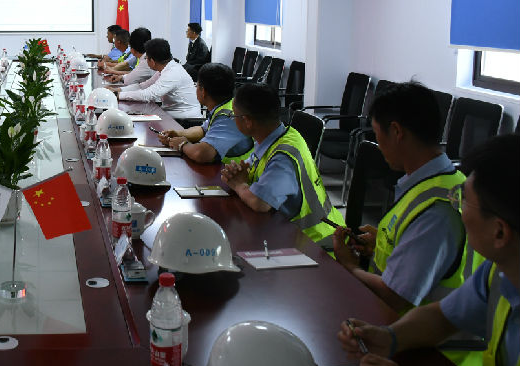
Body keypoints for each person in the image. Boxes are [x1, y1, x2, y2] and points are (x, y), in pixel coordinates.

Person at [337, 134, 519, 366]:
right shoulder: (498, 272)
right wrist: (390, 337)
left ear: (499, 233)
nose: (458, 209)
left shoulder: (439, 212)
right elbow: (443, 316)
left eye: (463, 199)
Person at [331, 82, 473, 314]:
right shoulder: (440, 181)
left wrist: (349, 266)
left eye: (377, 135)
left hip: (420, 334)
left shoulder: (437, 210)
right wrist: (383, 247)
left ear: (396, 132)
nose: (378, 145)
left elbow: (396, 297)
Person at [220, 83, 344, 243]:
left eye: (234, 116)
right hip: (289, 231)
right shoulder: (278, 135)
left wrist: (239, 185)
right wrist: (239, 174)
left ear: (247, 121)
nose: (233, 120)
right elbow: (250, 168)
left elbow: (260, 203)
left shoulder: (283, 156)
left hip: (315, 242)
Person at [158, 63, 253, 164]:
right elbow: (203, 130)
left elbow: (202, 154)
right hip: (223, 168)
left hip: (238, 170)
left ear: (203, 91)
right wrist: (178, 134)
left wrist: (182, 144)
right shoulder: (225, 106)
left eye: (197, 85)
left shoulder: (228, 117)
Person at [113, 38, 201, 121]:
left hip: (186, 121)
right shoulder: (165, 69)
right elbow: (143, 86)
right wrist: (119, 90)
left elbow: (147, 95)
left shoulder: (172, 73)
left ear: (152, 61)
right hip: (171, 114)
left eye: (146, 58)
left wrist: (118, 95)